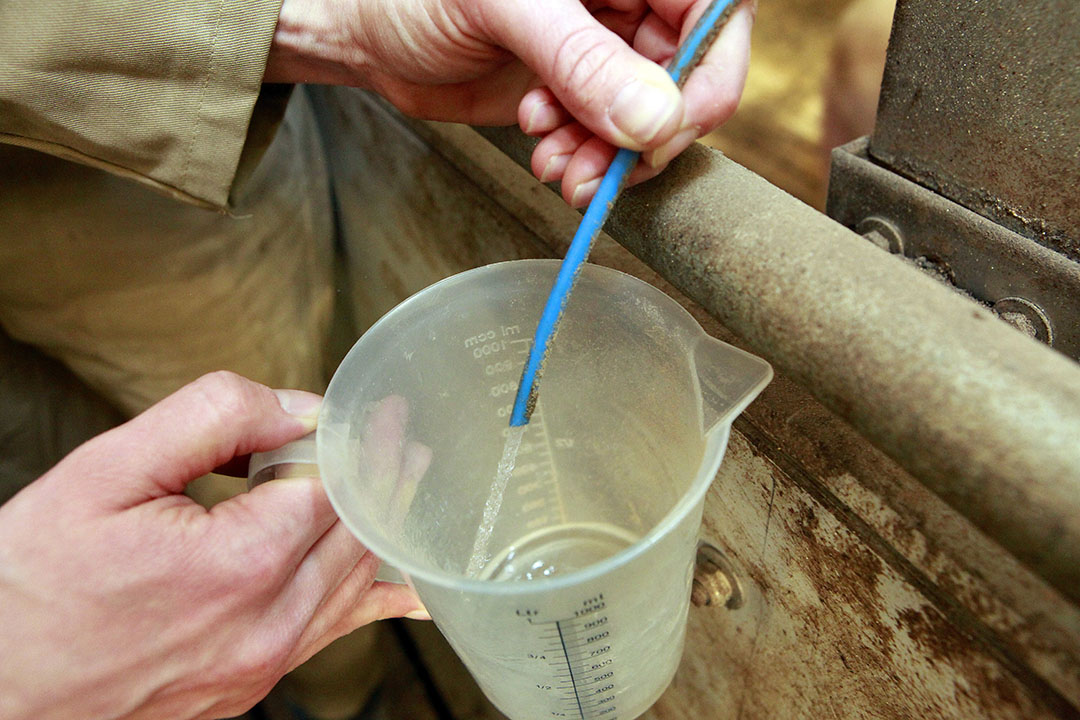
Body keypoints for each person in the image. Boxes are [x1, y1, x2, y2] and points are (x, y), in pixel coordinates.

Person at [0, 0, 755, 718]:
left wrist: (341, 24)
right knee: (50, 440)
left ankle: (335, 697)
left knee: (209, 458)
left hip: (132, 159)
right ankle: (334, 699)